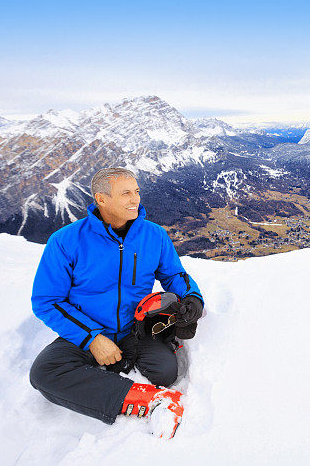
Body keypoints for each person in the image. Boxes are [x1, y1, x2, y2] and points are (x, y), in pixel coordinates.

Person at [29, 167, 204, 438]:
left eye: (136, 191)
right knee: (44, 372)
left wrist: (192, 297)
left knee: (166, 372)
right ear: (101, 199)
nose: (135, 199)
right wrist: (92, 338)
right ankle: (151, 401)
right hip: (87, 329)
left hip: (137, 328)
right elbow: (47, 301)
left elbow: (173, 275)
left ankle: (112, 376)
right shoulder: (66, 241)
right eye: (126, 193)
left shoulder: (153, 235)